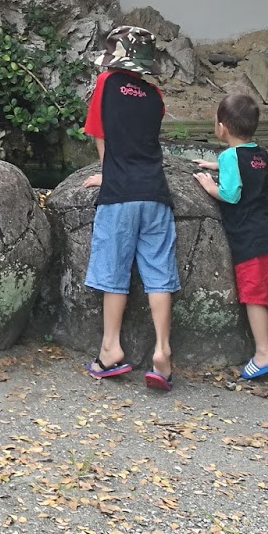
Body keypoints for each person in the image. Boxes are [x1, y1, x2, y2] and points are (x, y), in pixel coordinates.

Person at [80, 25, 178, 392]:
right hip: (155, 192)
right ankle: (163, 353)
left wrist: (107, 174)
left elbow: (99, 133)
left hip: (120, 193)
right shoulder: (155, 95)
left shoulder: (105, 82)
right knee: (159, 274)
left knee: (113, 274)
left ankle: (110, 349)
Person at [193, 93, 268, 379]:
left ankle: (263, 353)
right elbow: (248, 172)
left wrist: (210, 185)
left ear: (221, 127)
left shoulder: (228, 156)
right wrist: (219, 166)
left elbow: (231, 193)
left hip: (250, 241)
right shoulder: (259, 154)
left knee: (255, 298)